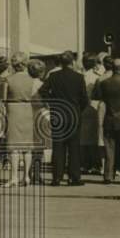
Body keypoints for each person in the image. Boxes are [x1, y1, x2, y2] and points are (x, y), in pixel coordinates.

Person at [41, 51, 89, 186]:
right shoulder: (79, 77)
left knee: (58, 146)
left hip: (58, 113)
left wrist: (52, 103)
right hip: (73, 114)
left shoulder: (53, 76)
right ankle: (74, 177)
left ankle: (57, 177)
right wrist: (79, 109)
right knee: (74, 147)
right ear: (72, 62)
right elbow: (84, 98)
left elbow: (42, 91)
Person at [2, 52, 43, 186]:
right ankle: (26, 177)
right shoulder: (33, 81)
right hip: (27, 110)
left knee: (14, 147)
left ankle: (13, 177)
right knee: (27, 147)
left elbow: (3, 99)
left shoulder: (8, 79)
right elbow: (37, 99)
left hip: (13, 110)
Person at [80, 55, 104, 175]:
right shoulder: (97, 76)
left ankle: (85, 164)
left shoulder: (82, 76)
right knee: (95, 137)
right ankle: (95, 163)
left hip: (83, 107)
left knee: (84, 137)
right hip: (94, 106)